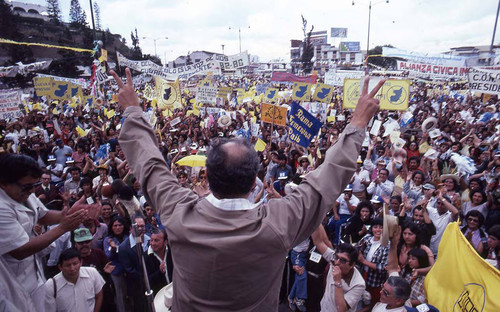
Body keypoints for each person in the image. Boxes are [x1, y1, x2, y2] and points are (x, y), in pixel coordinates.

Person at [111, 68, 384, 310]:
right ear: (256, 180)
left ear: (206, 175)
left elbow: (149, 165)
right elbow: (327, 179)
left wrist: (134, 111)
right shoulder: (279, 223)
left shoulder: (179, 212)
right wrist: (357, 123)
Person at [0, 154, 88, 311]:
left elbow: (44, 215)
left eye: (35, 184)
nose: (32, 190)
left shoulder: (25, 192)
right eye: (27, 187)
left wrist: (66, 214)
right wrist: (63, 227)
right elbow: (19, 250)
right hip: (11, 284)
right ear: (4, 183)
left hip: (34, 275)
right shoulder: (2, 207)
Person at [311, 225, 365, 312]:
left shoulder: (358, 284)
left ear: (352, 264)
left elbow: (341, 309)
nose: (337, 262)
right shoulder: (334, 259)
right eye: (336, 257)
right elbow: (318, 242)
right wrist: (316, 218)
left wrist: (337, 282)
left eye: (343, 260)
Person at [357, 217, 389, 310]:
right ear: (371, 228)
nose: (378, 230)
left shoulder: (386, 245)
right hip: (362, 275)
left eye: (381, 227)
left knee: (372, 304)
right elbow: (356, 248)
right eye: (375, 227)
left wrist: (364, 261)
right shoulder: (367, 238)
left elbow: (383, 268)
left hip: (375, 281)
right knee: (361, 299)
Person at [145, 228, 173, 295]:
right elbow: (146, 281)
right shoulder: (146, 257)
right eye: (151, 240)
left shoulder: (171, 251)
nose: (153, 243)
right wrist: (159, 272)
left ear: (165, 242)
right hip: (159, 296)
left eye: (156, 240)